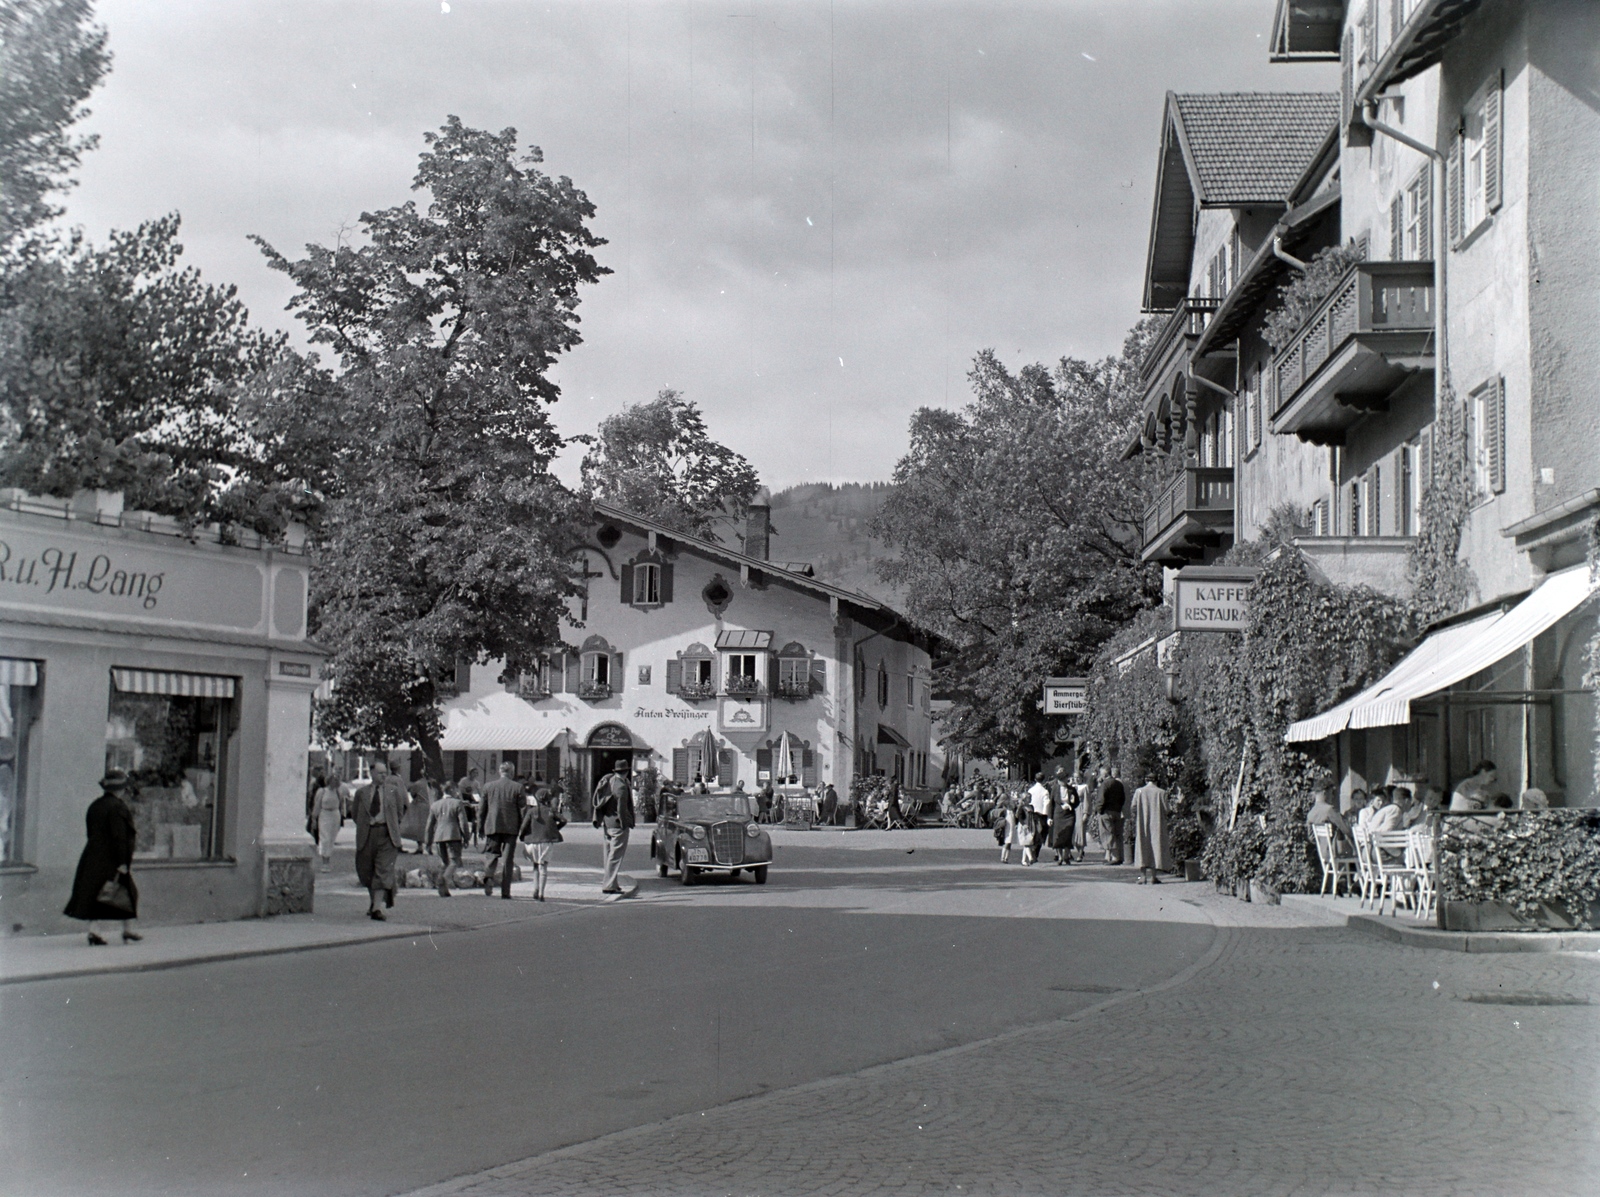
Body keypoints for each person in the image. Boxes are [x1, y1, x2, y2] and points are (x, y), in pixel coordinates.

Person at [64, 770, 141, 945]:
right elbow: (120, 837)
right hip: (111, 858)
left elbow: (90, 832)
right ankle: (126, 930)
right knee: (126, 892)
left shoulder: (95, 805)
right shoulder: (118, 807)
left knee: (96, 894)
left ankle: (98, 931)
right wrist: (123, 861)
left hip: (92, 856)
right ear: (120, 790)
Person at [354, 760, 406, 919]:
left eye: (385, 772)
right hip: (368, 834)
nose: (384, 775)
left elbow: (399, 812)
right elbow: (356, 815)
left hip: (387, 835)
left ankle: (377, 909)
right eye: (380, 773)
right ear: (372, 773)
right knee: (366, 871)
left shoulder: (393, 791)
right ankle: (373, 902)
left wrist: (390, 825)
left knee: (383, 870)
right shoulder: (361, 793)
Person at [480, 761, 526, 899]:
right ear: (511, 772)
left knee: (491, 855)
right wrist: (523, 829)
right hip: (511, 828)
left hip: (492, 826)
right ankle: (505, 891)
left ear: (500, 772)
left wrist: (480, 828)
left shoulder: (488, 786)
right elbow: (523, 810)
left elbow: (482, 810)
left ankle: (488, 877)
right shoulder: (518, 787)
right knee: (507, 860)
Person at [592, 764, 635, 895]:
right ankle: (609, 885)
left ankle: (613, 883)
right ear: (626, 772)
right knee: (615, 856)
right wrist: (624, 824)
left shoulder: (610, 781)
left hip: (607, 823)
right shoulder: (621, 787)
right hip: (617, 825)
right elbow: (622, 809)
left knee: (609, 855)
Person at [519, 787, 566, 901]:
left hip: (532, 842)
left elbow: (524, 826)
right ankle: (541, 893)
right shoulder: (551, 811)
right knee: (543, 867)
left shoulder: (531, 811)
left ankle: (535, 889)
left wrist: (522, 836)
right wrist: (555, 829)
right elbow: (564, 820)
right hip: (546, 841)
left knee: (535, 865)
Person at [1128, 769, 1172, 884]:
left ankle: (1143, 877)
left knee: (1143, 846)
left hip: (1142, 823)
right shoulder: (1161, 792)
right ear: (1157, 780)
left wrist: (1139, 814)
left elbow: (1133, 807)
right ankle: (1153, 876)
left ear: (1146, 780)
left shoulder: (1139, 792)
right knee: (1155, 847)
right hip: (1157, 823)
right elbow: (1167, 809)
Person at [424, 782, 468, 897]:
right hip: (453, 835)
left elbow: (429, 825)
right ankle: (443, 879)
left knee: (444, 862)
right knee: (454, 861)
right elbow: (463, 822)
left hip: (439, 837)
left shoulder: (435, 805)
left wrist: (427, 841)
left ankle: (444, 890)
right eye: (456, 790)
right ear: (452, 790)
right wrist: (466, 837)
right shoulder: (457, 803)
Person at [313, 769, 344, 872]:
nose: (336, 782)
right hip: (324, 814)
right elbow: (317, 805)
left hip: (335, 815)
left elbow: (341, 805)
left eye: (337, 780)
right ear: (330, 780)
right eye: (334, 780)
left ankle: (328, 859)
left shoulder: (338, 792)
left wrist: (342, 817)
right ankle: (324, 861)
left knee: (331, 838)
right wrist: (314, 818)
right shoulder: (322, 791)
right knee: (324, 838)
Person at [1096, 768, 1127, 865]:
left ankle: (1114, 857)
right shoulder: (1119, 784)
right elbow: (1123, 798)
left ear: (1104, 775)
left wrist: (1099, 810)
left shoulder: (1105, 784)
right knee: (1117, 834)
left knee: (1108, 834)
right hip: (1117, 811)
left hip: (1107, 812)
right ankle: (1119, 856)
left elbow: (1101, 799)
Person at [1049, 767, 1076, 865]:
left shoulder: (1071, 789)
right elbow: (1051, 803)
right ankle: (1060, 857)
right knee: (1059, 836)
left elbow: (1076, 802)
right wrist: (1049, 817)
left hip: (1069, 815)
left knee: (1068, 835)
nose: (1063, 782)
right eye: (1061, 780)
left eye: (1065, 779)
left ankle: (1066, 856)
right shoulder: (1055, 789)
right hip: (1058, 815)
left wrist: (1072, 803)